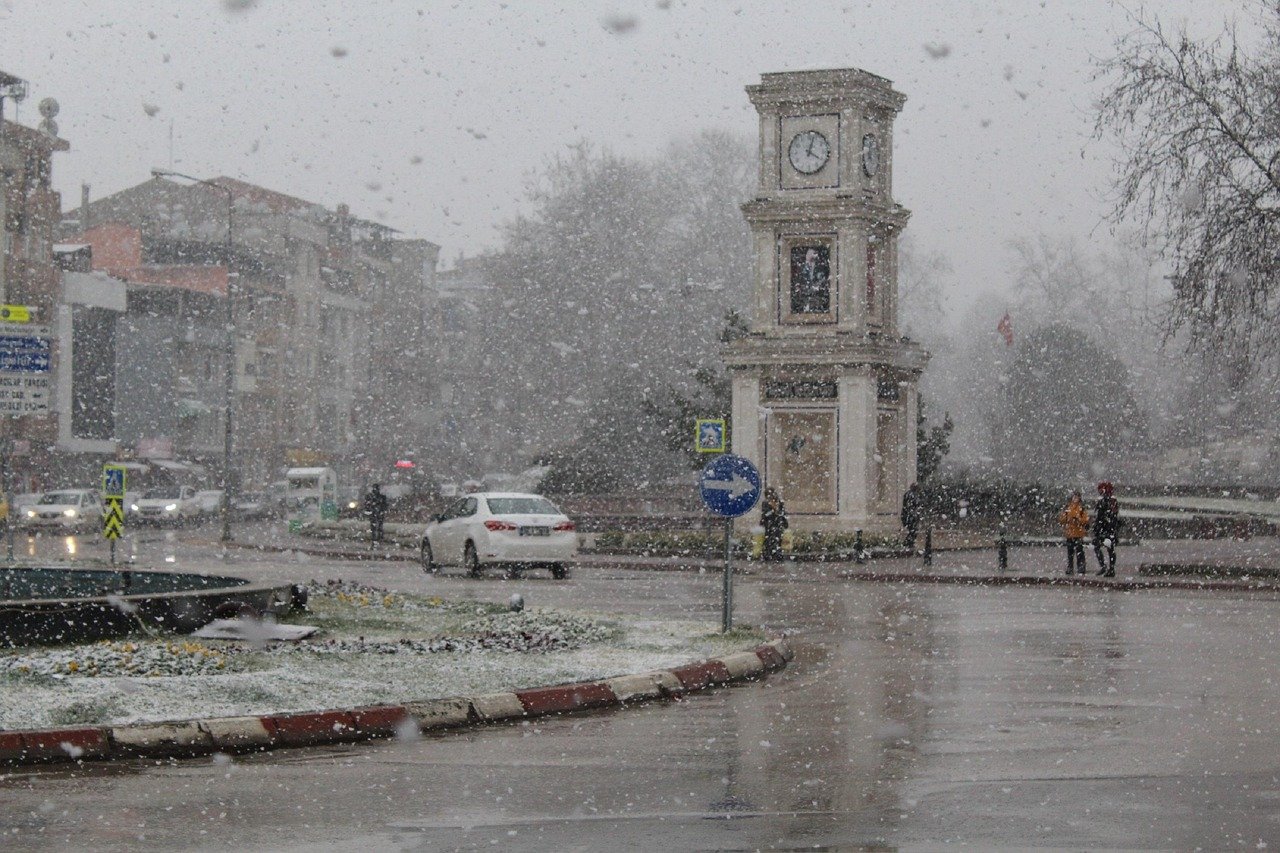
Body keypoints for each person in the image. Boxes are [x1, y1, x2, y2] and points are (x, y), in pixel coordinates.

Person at [1058, 490, 1089, 576]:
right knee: (1070, 552)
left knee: (1079, 551)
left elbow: (1085, 520)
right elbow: (1062, 519)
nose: (1075, 499)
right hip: (1070, 533)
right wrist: (1067, 519)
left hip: (1078, 533)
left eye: (1077, 497)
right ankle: (1070, 567)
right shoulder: (1068, 508)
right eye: (1074, 497)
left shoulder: (1081, 509)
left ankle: (1081, 567)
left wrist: (1078, 520)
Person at [1093, 481, 1120, 577]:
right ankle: (1110, 568)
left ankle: (1106, 567)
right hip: (1109, 528)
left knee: (1100, 547)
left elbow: (1101, 516)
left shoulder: (1106, 500)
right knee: (1109, 549)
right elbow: (1114, 516)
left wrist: (1098, 527)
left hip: (1105, 528)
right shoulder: (1112, 500)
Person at [760, 488, 788, 562]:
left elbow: (783, 513)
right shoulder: (765, 503)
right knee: (768, 540)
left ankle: (777, 555)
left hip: (778, 524)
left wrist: (783, 521)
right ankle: (767, 555)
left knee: (778, 539)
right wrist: (772, 511)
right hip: (769, 524)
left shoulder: (779, 502)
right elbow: (765, 514)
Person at [363, 483, 388, 547]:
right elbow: (384, 505)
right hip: (376, 513)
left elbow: (367, 505)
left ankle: (376, 540)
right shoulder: (380, 497)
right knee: (378, 527)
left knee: (375, 527)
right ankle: (378, 539)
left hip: (375, 513)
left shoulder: (371, 496)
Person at [900, 482, 923, 549]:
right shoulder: (912, 495)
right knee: (913, 530)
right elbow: (914, 505)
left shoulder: (910, 494)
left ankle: (908, 543)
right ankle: (908, 543)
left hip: (909, 515)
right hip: (910, 516)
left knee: (913, 530)